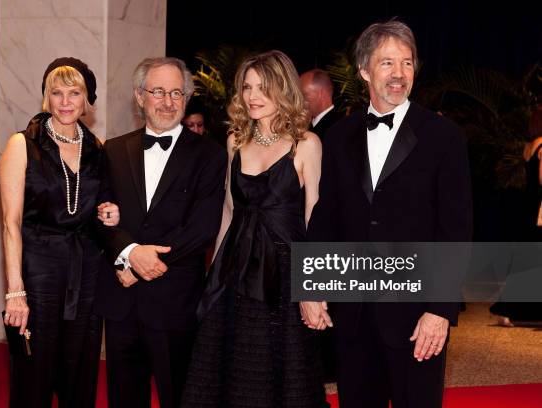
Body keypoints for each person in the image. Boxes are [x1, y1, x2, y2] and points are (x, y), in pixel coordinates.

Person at [307, 20, 472, 408]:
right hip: (354, 315)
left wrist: (439, 309)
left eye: (407, 63)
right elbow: (325, 218)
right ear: (364, 70)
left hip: (416, 317)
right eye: (387, 63)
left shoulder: (443, 137)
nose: (399, 74)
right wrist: (311, 286)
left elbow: (457, 230)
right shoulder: (339, 136)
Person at [181, 50, 328, 408]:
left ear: (283, 89)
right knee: (231, 366)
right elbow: (228, 213)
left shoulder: (306, 144)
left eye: (263, 87)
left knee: (284, 370)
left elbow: (313, 220)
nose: (252, 96)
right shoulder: (234, 141)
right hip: (236, 269)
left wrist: (314, 289)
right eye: (247, 87)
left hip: (286, 273)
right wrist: (213, 276)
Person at [93, 57, 227, 408]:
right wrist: (129, 254)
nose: (167, 102)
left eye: (176, 93)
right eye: (158, 92)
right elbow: (101, 215)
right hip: (122, 300)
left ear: (186, 98)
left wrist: (139, 263)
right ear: (140, 96)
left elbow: (203, 228)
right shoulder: (114, 150)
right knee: (124, 396)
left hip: (175, 300)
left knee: (179, 395)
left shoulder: (209, 155)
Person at [0, 57, 119, 408]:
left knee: (79, 372)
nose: (66, 102)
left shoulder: (97, 148)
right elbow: (10, 222)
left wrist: (108, 215)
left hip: (85, 273)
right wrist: (14, 292)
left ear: (87, 100)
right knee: (33, 371)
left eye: (74, 93)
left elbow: (100, 209)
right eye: (57, 93)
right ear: (46, 98)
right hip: (37, 273)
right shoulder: (22, 144)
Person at [490, 105, 542, 326]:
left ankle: (507, 309)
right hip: (539, 213)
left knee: (527, 263)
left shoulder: (530, 147)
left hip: (529, 210)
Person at [300, 69, 341, 140]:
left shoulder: (337, 128)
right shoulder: (309, 125)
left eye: (304, 95)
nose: (299, 101)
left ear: (320, 94)